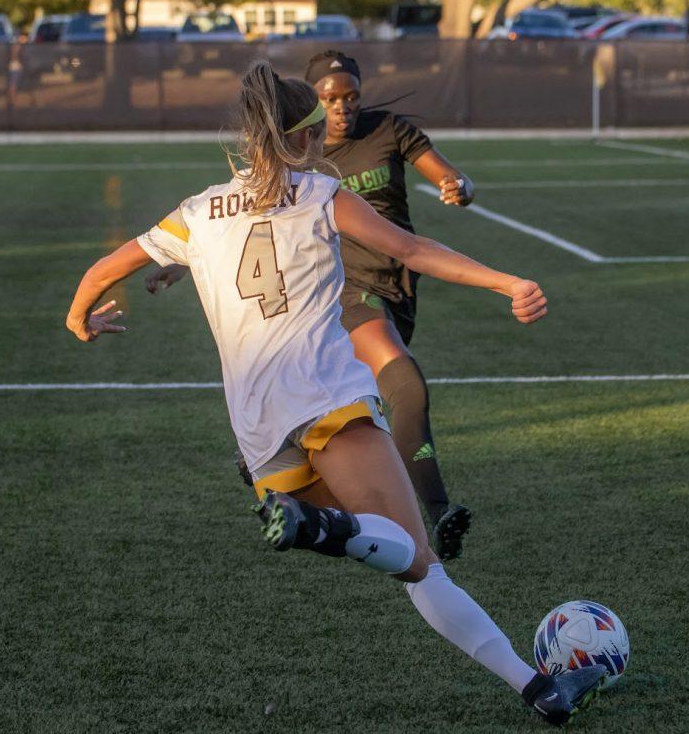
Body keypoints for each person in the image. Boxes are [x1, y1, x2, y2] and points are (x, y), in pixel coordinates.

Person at [65, 61, 605, 725]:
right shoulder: (320, 193)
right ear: (299, 138)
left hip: (258, 432)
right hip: (324, 396)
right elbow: (408, 249)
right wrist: (506, 283)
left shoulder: (198, 212)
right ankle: (326, 529)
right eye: (317, 131)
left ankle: (539, 690)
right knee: (420, 564)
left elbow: (103, 271)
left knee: (388, 547)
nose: (325, 141)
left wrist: (81, 317)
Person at [149, 50, 478, 562]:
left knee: (368, 415)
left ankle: (298, 484)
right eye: (329, 99)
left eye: (351, 96)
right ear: (308, 111)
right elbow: (248, 223)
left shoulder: (387, 130)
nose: (342, 107)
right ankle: (436, 513)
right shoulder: (303, 159)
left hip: (395, 286)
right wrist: (182, 259)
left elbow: (447, 178)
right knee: (403, 382)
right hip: (340, 291)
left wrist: (458, 187)